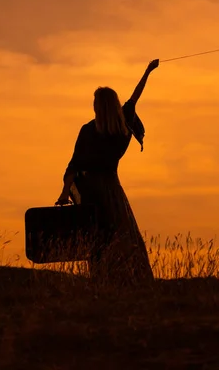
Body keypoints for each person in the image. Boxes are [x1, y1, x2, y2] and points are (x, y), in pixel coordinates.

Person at [56, 59, 160, 286]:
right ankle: (133, 280)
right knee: (122, 234)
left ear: (97, 106)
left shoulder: (88, 131)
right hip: (113, 190)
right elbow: (135, 97)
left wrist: (65, 192)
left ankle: (102, 281)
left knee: (97, 238)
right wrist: (148, 71)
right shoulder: (121, 129)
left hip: (90, 192)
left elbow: (73, 165)